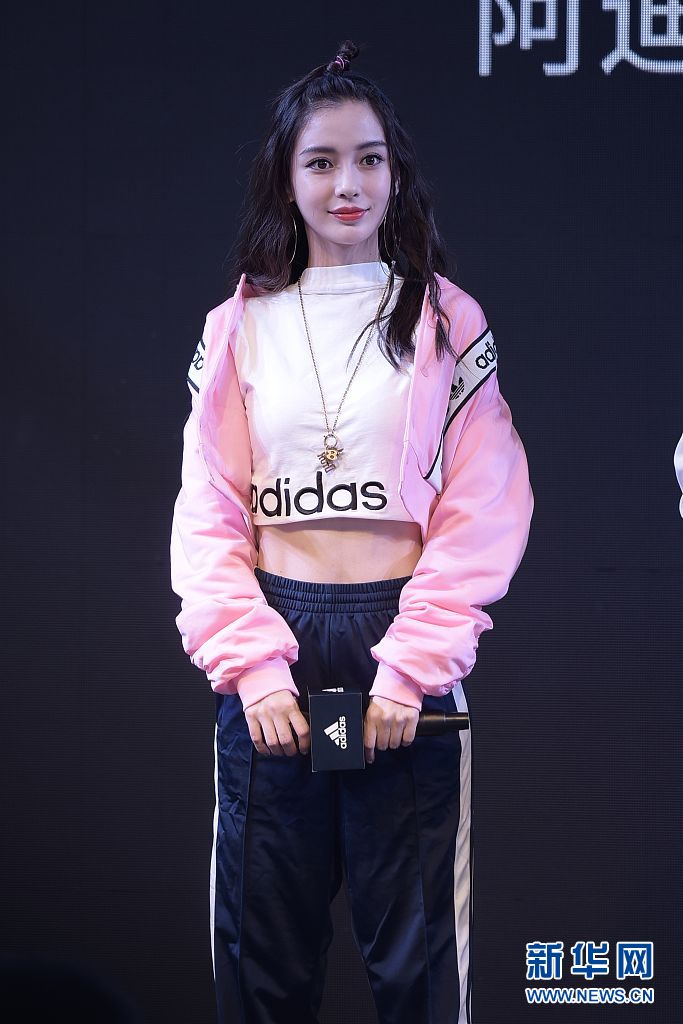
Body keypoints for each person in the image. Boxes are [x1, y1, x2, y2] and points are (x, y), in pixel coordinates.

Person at [170, 40, 534, 1024]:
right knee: (261, 963)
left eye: (368, 159)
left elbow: (483, 504)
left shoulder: (447, 319)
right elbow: (207, 507)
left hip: (397, 646)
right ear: (286, 179)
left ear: (395, 173)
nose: (347, 184)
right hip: (275, 652)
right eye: (321, 161)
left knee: (420, 965)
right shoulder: (238, 326)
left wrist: (411, 666)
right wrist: (251, 666)